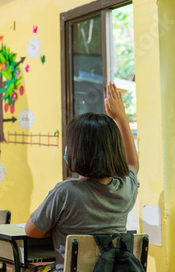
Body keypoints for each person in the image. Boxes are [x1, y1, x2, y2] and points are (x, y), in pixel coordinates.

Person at [25, 82, 140, 272]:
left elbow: (31, 231)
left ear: (76, 152)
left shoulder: (65, 192)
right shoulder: (125, 189)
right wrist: (121, 118)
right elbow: (133, 165)